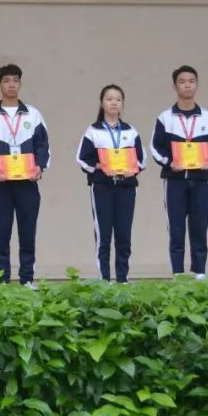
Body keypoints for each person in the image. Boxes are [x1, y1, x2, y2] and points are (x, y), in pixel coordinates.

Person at [0, 64, 49, 288]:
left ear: (20, 84)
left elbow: (43, 146)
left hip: (27, 183)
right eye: (6, 81)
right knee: (2, 232)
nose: (11, 85)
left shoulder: (33, 114)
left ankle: (27, 279)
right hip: (1, 184)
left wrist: (39, 167)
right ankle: (3, 281)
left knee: (28, 232)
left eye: (15, 80)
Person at [150, 65, 208, 278]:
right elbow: (155, 147)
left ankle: (200, 273)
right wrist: (170, 162)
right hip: (174, 181)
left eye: (191, 81)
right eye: (182, 81)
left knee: (200, 227)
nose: (187, 85)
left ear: (197, 85)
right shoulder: (165, 118)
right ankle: (178, 274)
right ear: (174, 86)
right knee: (176, 229)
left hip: (200, 180)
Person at [74, 84, 146, 283]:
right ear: (102, 103)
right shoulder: (93, 131)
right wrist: (101, 166)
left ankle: (123, 279)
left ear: (122, 104)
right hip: (102, 188)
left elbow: (142, 160)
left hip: (126, 187)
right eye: (109, 99)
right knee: (103, 236)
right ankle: (104, 280)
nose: (114, 103)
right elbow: (82, 159)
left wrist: (131, 169)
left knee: (124, 236)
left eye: (118, 99)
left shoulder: (130, 131)